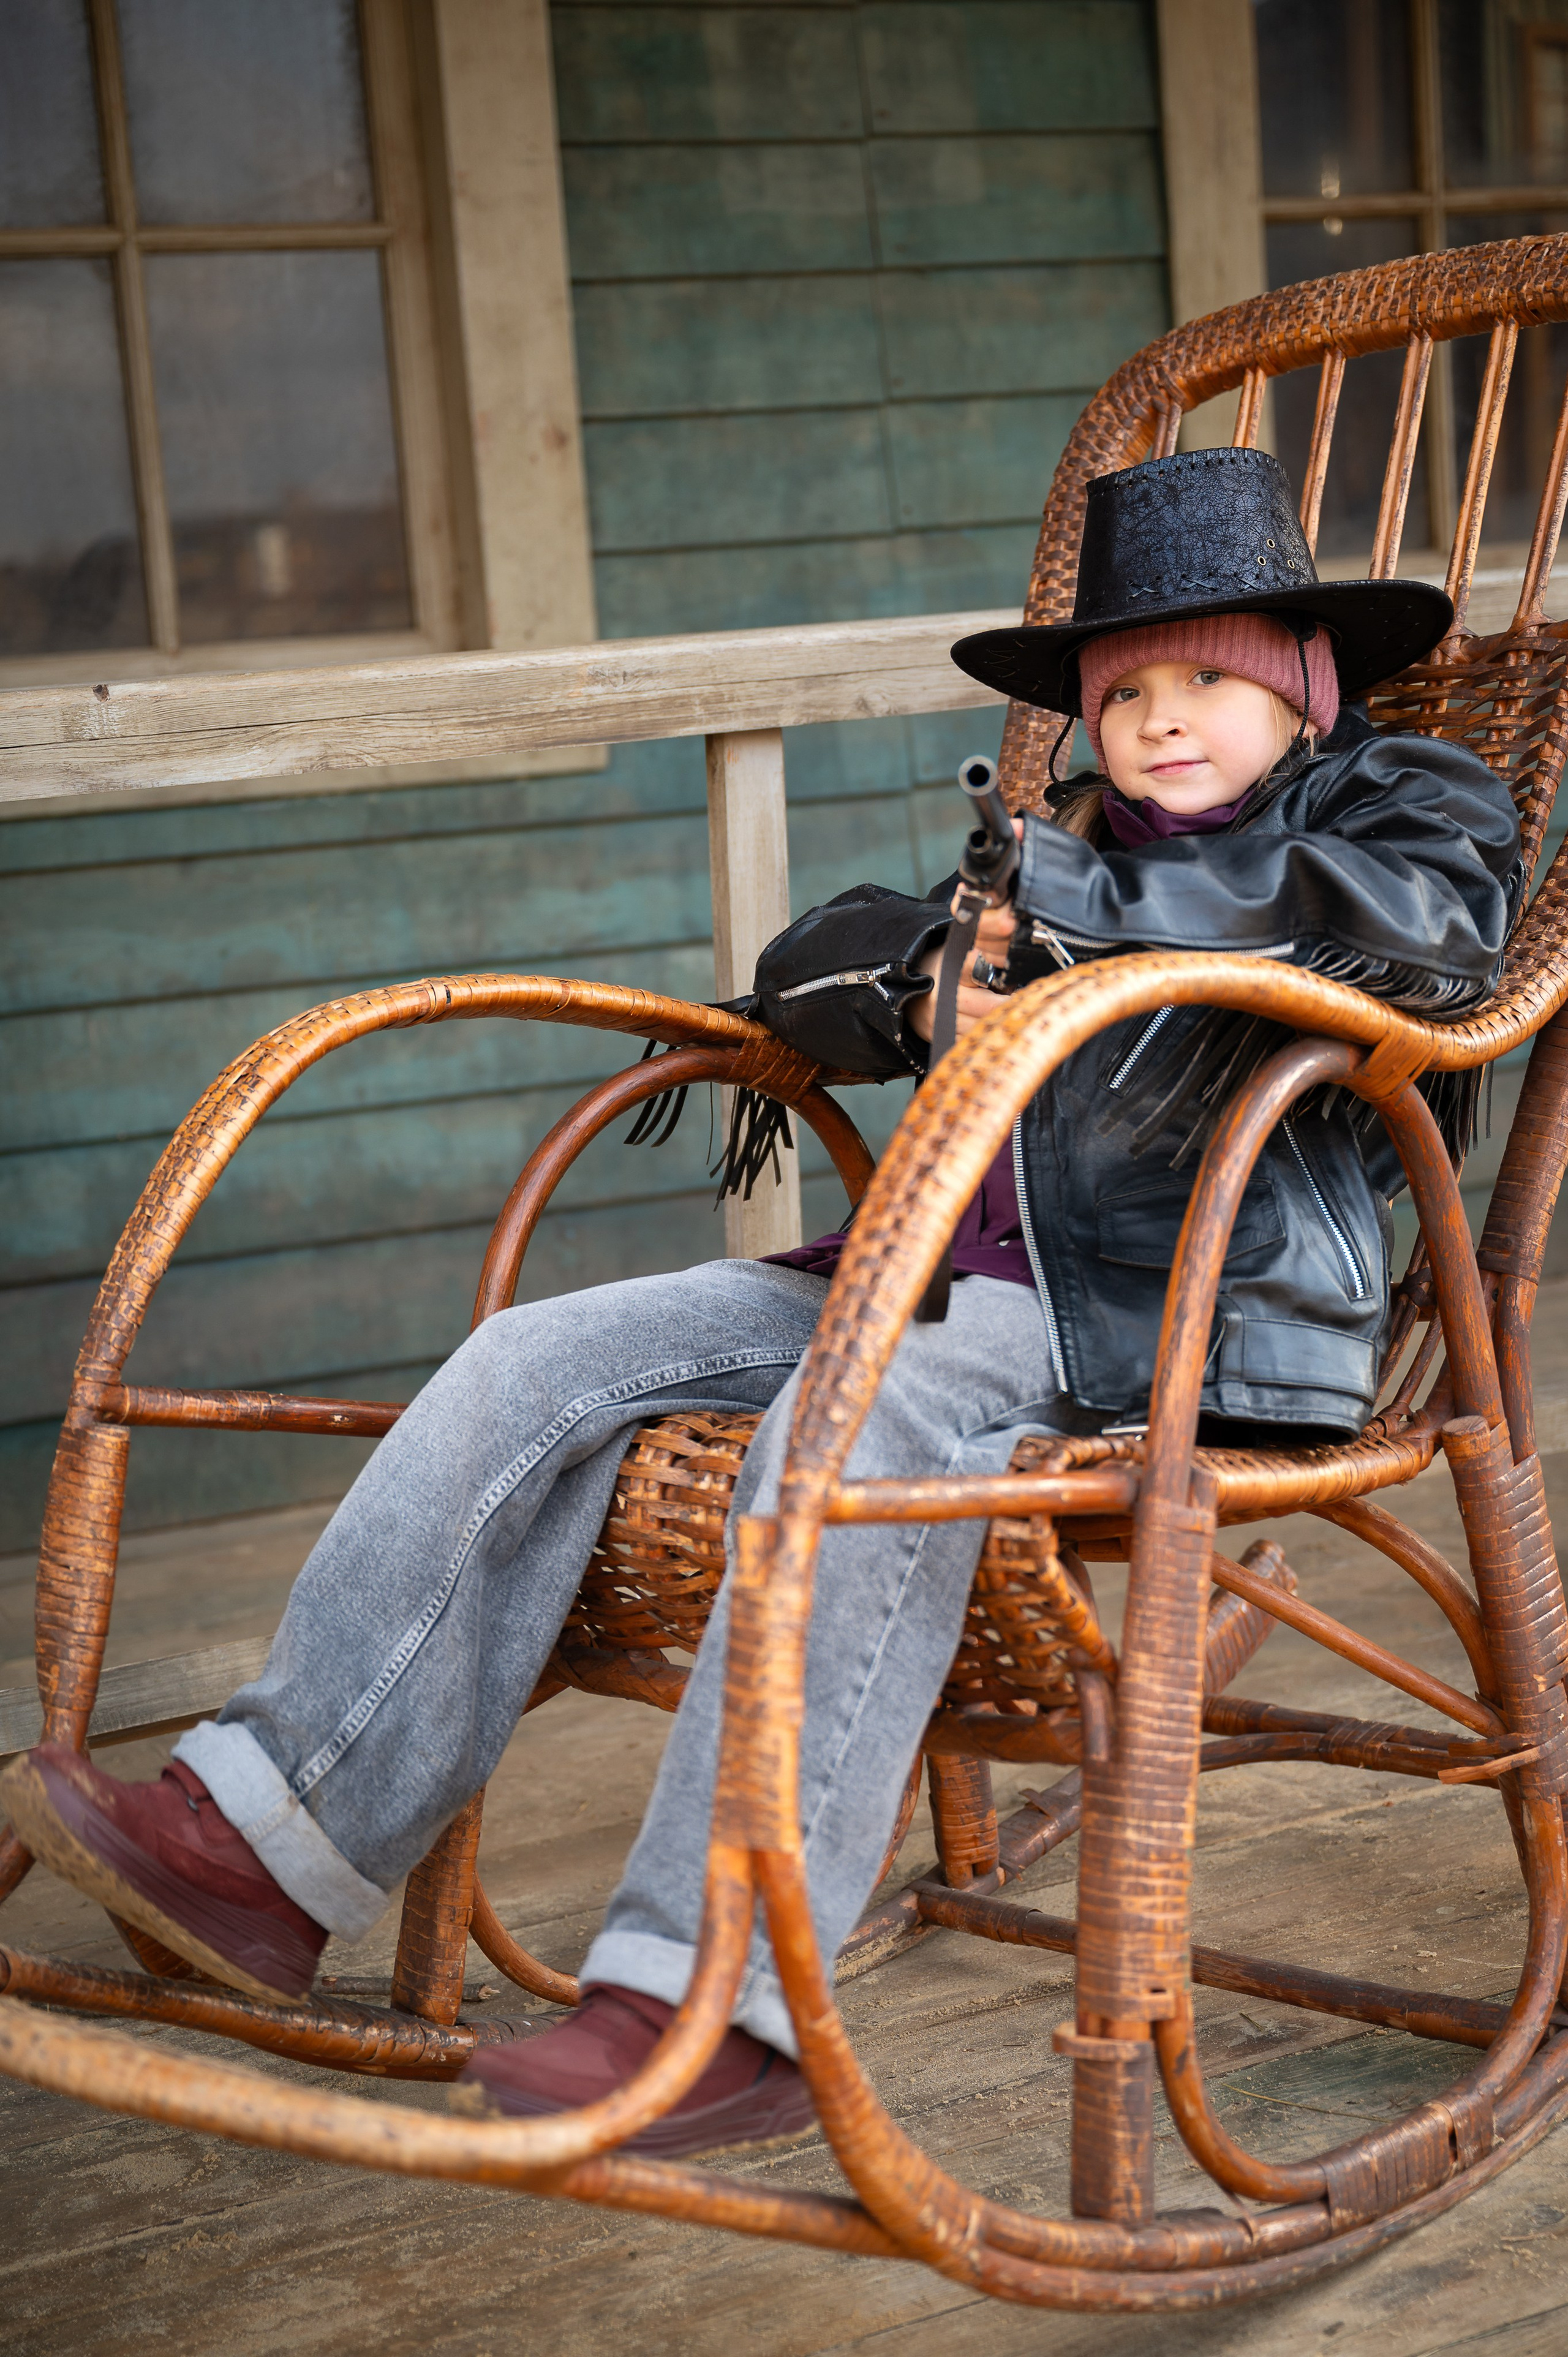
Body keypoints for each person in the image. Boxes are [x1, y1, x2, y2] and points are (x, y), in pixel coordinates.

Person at [1, 448, 1523, 2160]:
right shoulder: (1058, 854)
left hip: (1185, 1321)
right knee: (539, 1356)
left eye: (1215, 679)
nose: (1166, 721)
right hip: (941, 1276)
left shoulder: (1408, 809)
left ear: (1309, 688)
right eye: (1128, 691)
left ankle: (716, 2002)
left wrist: (1073, 916)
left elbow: (1421, 943)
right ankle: (265, 1846)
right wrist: (923, 968)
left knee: (859, 1411)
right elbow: (821, 971)